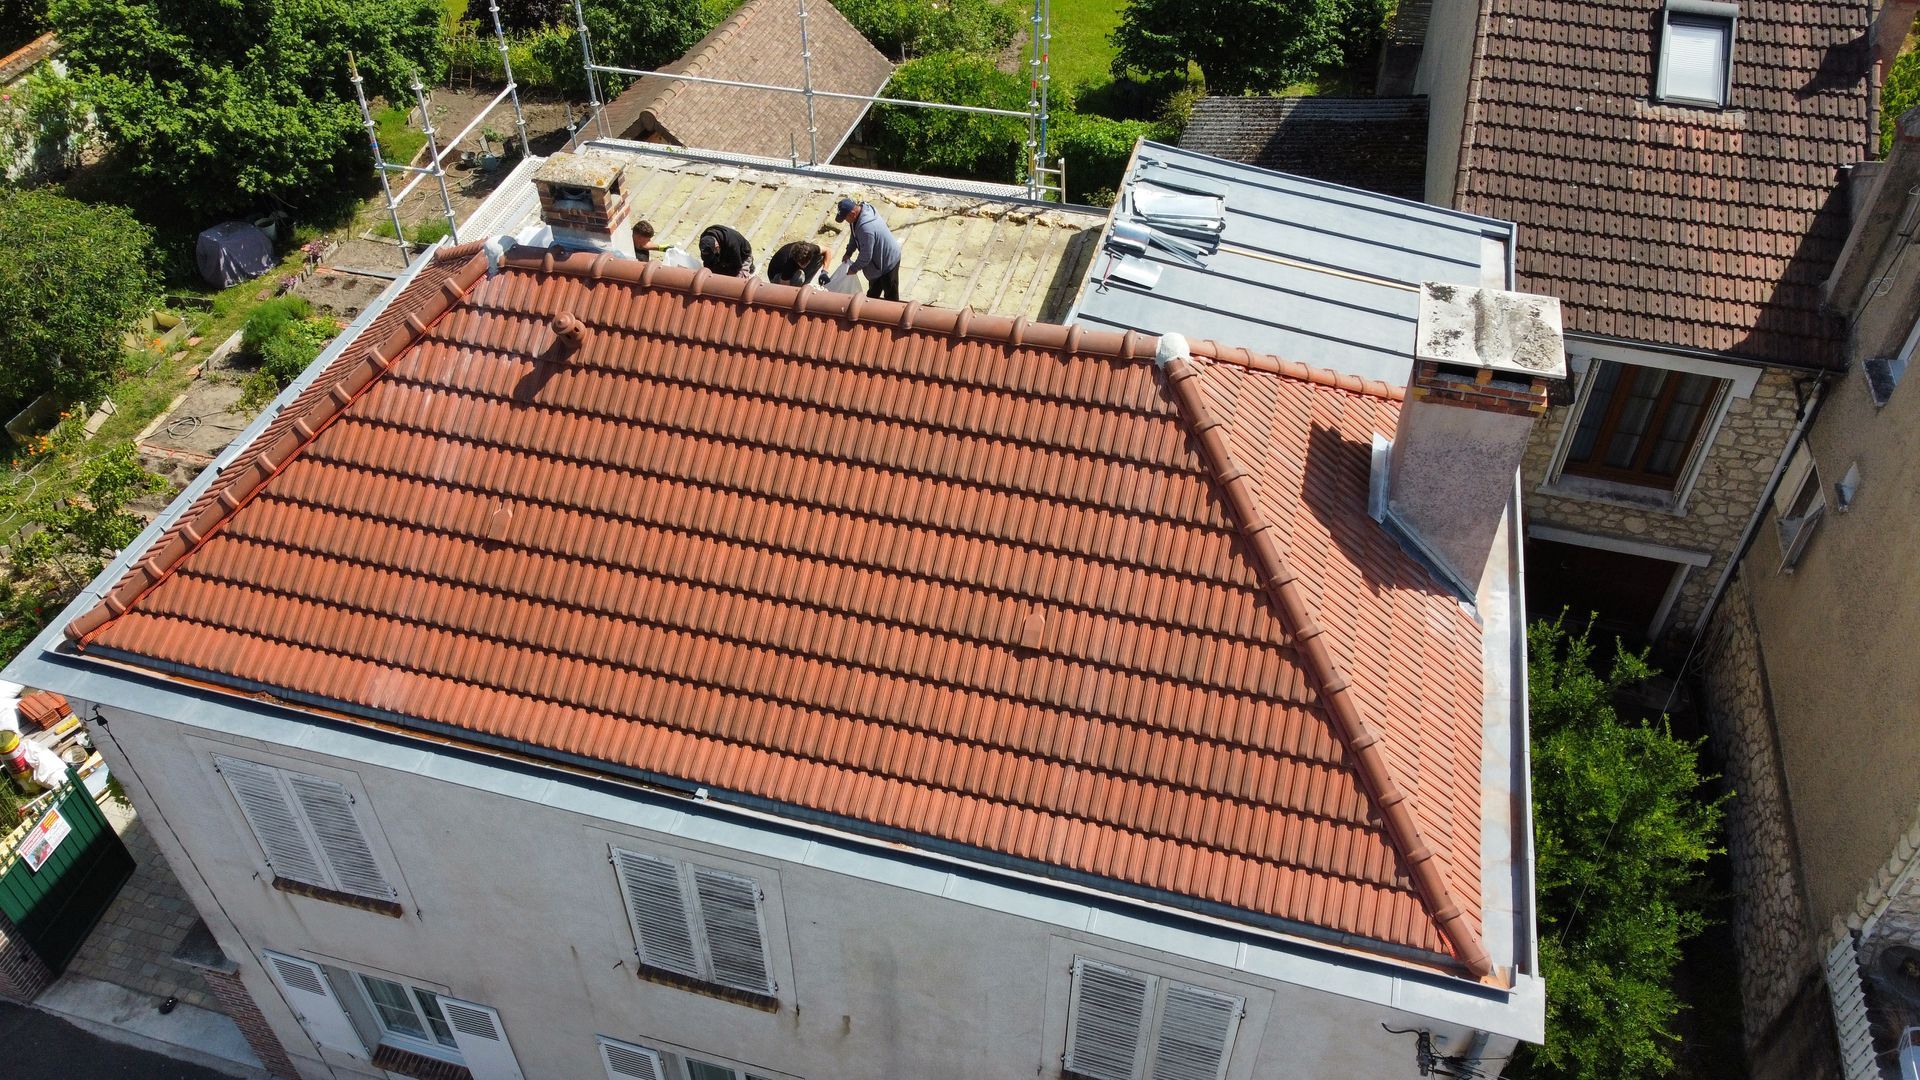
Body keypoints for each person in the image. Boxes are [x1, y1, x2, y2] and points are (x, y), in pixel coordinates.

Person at [835, 197, 901, 301]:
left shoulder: (866, 228)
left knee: (890, 295)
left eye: (845, 218)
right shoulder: (856, 217)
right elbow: (854, 235)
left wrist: (854, 268)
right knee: (873, 292)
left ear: (852, 213)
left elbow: (866, 256)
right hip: (876, 263)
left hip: (889, 261)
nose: (845, 221)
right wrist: (849, 252)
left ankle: (892, 314)